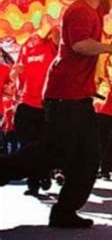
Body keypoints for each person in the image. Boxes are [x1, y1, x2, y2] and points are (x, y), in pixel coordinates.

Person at [0, 0, 112, 228]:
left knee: (87, 155)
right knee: (54, 152)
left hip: (78, 98)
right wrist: (110, 48)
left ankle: (65, 211)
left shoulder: (96, 9)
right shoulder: (79, 11)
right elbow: (80, 45)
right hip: (64, 96)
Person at [14, 28, 59, 194]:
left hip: (46, 104)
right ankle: (33, 183)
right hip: (26, 102)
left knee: (44, 145)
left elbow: (57, 30)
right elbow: (16, 70)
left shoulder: (52, 42)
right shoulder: (26, 45)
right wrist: (15, 73)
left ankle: (44, 173)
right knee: (27, 145)